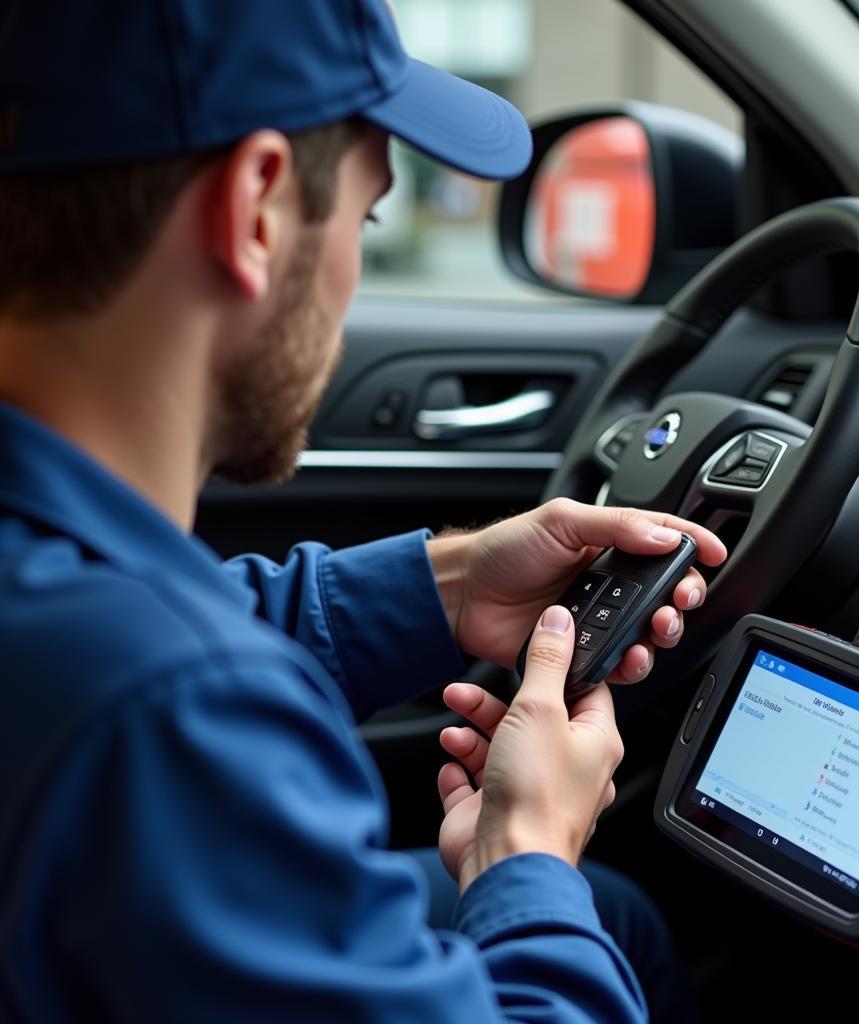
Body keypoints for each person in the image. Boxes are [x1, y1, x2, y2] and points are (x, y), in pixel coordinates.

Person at [0, 1, 727, 1021]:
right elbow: (157, 682)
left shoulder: (77, 613)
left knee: (620, 918)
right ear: (255, 209)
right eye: (364, 214)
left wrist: (451, 584)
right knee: (590, 918)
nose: (350, 270)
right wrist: (526, 851)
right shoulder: (172, 723)